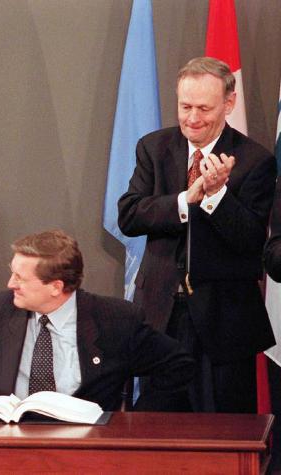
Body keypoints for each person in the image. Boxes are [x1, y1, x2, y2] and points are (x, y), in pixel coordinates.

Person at [118, 57, 276, 413]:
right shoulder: (153, 148)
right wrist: (185, 200)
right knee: (156, 425)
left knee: (224, 428)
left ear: (229, 104)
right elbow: (129, 215)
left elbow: (252, 241)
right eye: (185, 106)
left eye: (204, 108)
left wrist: (218, 196)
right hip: (161, 311)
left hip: (223, 321)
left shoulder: (254, 161)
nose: (192, 118)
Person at [0, 230, 193, 411]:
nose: (10, 284)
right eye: (12, 273)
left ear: (55, 287)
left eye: (20, 278)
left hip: (88, 448)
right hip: (9, 442)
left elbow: (177, 365)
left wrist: (137, 420)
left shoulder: (114, 320)